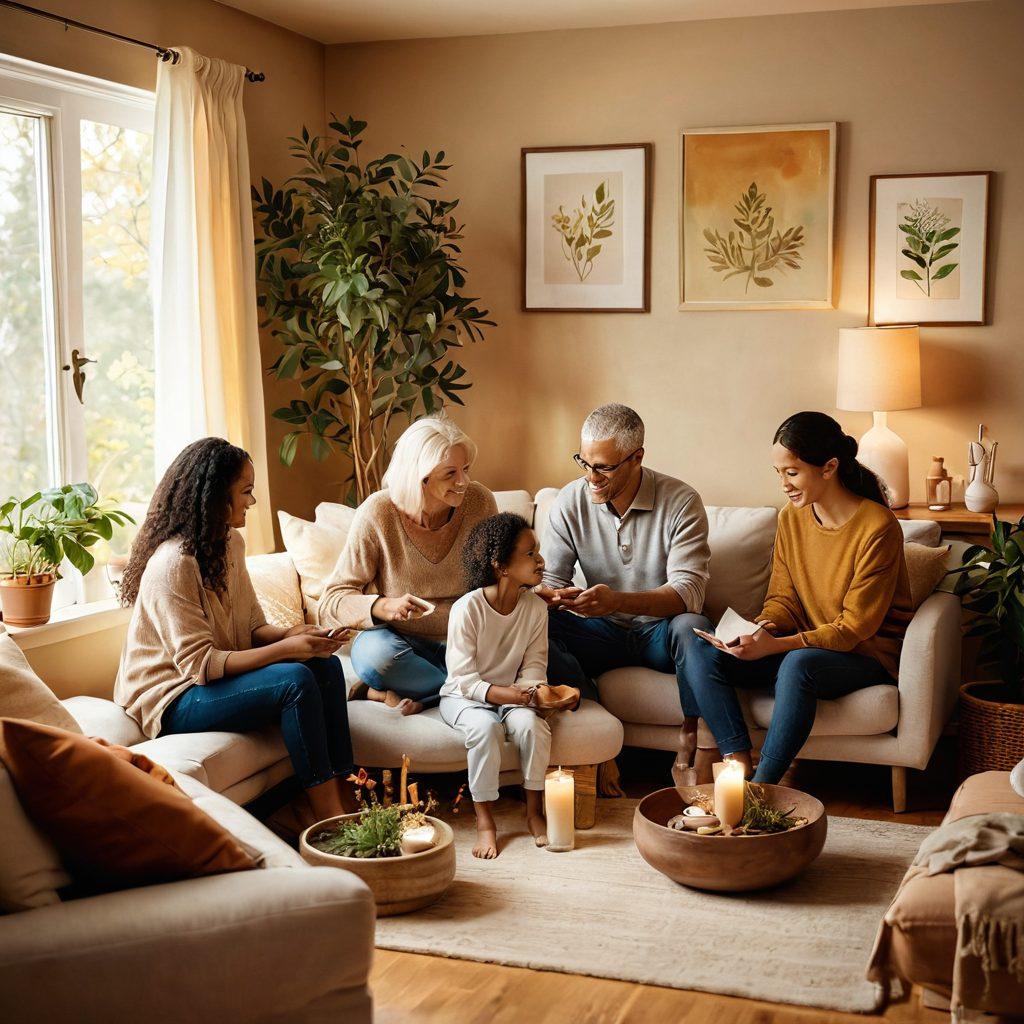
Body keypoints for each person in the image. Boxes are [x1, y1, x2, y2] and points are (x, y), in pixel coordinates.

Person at [116, 437, 357, 827]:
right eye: (245, 491)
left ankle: (348, 795)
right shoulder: (174, 564)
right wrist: (288, 651)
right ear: (215, 496)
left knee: (325, 666)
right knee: (294, 679)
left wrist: (298, 635)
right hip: (172, 697)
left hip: (209, 680)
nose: (253, 501)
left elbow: (252, 628)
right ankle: (328, 817)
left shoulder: (231, 543)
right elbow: (201, 665)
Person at [684, 411, 913, 784]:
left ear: (829, 467)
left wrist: (774, 647)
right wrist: (761, 629)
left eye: (791, 472)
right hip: (803, 646)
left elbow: (854, 628)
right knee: (701, 650)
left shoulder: (878, 527)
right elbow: (783, 598)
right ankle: (736, 764)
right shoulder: (793, 518)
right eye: (778, 473)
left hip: (863, 655)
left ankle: (762, 789)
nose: (784, 485)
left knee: (798, 664)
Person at [539, 403, 714, 767]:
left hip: (658, 635)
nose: (591, 476)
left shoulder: (681, 500)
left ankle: (694, 734)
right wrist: (556, 597)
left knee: (692, 628)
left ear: (637, 458)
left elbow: (689, 594)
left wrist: (616, 600)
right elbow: (551, 581)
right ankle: (597, 739)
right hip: (600, 634)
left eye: (603, 466)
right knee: (538, 624)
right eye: (585, 463)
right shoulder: (570, 500)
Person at [318, 416, 498, 714]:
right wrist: (381, 606)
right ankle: (477, 692)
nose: (463, 481)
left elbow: (497, 576)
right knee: (377, 657)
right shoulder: (378, 513)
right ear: (420, 477)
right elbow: (332, 601)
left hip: (468, 640)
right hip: (400, 642)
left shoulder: (480, 502)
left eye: (466, 469)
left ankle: (418, 693)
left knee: (541, 649)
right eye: (450, 473)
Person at [441, 512, 575, 859]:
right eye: (530, 553)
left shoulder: (534, 609)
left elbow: (533, 666)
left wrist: (529, 694)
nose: (541, 560)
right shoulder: (467, 609)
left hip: (512, 693)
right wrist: (509, 696)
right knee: (485, 728)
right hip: (463, 697)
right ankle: (485, 821)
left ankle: (532, 811)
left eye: (538, 551)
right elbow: (464, 679)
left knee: (532, 727)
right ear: (501, 565)